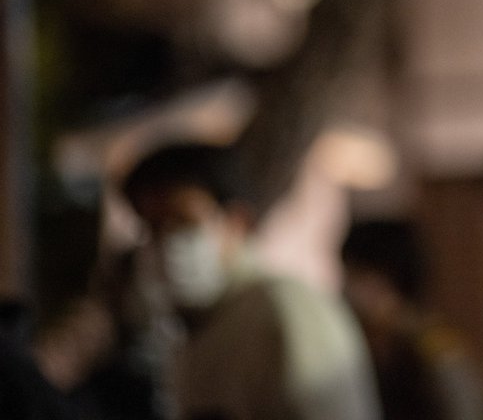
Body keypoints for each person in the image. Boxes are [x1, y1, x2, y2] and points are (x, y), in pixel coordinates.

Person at [120, 142, 381, 420]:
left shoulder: (286, 308)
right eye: (153, 228)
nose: (165, 242)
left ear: (238, 222)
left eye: (182, 221)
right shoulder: (199, 326)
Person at [340, 218, 483, 420]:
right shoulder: (364, 344)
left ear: (386, 279)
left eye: (354, 274)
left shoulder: (434, 345)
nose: (343, 286)